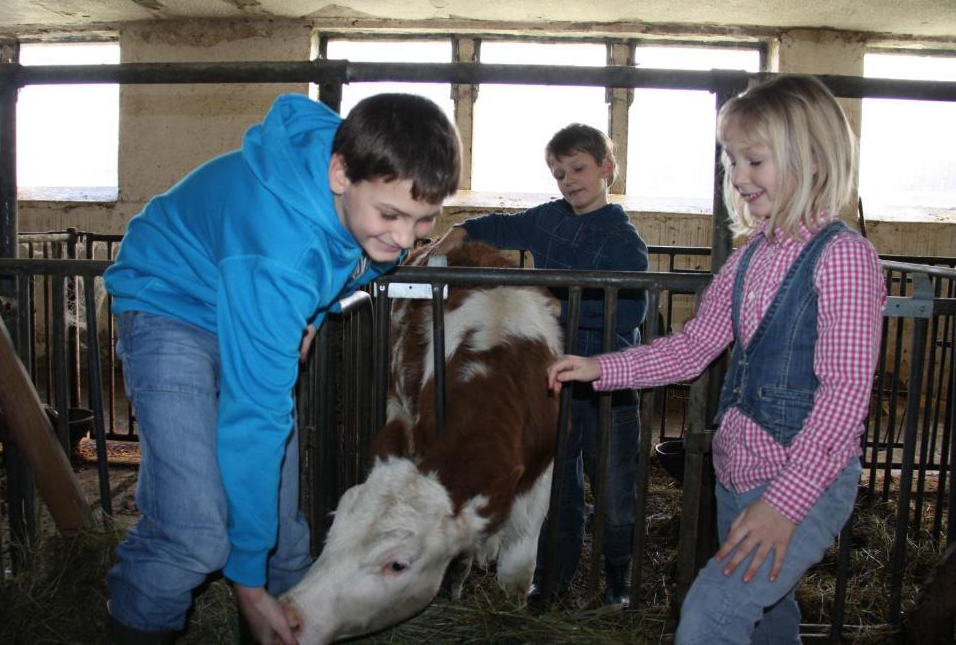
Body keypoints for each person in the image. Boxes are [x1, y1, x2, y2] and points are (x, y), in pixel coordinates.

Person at [103, 92, 462, 645]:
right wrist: (246, 583)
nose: (404, 238)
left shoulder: (357, 171)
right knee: (193, 532)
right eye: (391, 215)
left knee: (284, 537)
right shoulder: (281, 254)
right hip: (169, 306)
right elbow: (256, 417)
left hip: (247, 295)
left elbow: (357, 262)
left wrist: (317, 311)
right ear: (339, 174)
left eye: (424, 220)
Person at [546, 75, 887, 643]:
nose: (739, 176)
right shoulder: (752, 255)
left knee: (710, 615)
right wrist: (603, 368)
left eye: (755, 160)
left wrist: (783, 505)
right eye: (733, 162)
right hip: (740, 473)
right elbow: (692, 348)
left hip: (801, 480)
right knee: (768, 615)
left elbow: (844, 396)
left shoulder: (844, 257)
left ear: (814, 157)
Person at [434, 123, 649, 606]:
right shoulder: (550, 219)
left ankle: (618, 585)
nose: (568, 180)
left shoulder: (625, 241)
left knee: (614, 495)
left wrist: (565, 307)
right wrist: (460, 230)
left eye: (578, 169)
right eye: (558, 173)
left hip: (609, 389)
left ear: (606, 170)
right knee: (562, 493)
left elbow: (633, 312)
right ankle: (552, 581)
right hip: (555, 389)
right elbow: (502, 225)